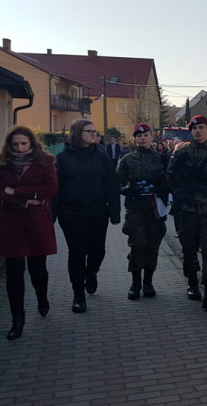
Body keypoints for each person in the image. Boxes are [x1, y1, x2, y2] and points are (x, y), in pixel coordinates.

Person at [56, 119, 121, 313]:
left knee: (97, 250)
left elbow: (111, 185)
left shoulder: (101, 157)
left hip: (97, 211)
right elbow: (56, 188)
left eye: (95, 131)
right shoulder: (62, 157)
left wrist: (115, 212)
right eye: (89, 131)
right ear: (77, 133)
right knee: (76, 253)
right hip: (71, 212)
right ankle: (78, 295)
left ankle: (92, 272)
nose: (94, 134)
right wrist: (53, 213)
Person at [0, 126, 57, 340]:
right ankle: (17, 318)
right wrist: (28, 199)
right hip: (10, 223)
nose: (19, 147)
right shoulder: (3, 164)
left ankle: (42, 297)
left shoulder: (45, 161)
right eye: (15, 144)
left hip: (37, 222)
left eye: (23, 143)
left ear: (31, 143)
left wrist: (16, 192)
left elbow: (50, 188)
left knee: (37, 267)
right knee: (14, 272)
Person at [167, 115, 207, 310]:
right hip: (187, 210)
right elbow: (170, 181)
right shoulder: (182, 153)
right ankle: (192, 283)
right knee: (189, 249)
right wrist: (177, 170)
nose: (198, 131)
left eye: (201, 127)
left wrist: (205, 178)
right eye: (194, 128)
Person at [116, 123, 170, 300]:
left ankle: (148, 282)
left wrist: (165, 189)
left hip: (154, 209)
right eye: (139, 136)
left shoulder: (161, 159)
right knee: (137, 246)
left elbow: (170, 179)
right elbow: (117, 182)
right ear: (135, 138)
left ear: (151, 137)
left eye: (146, 135)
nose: (142, 138)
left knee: (152, 246)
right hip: (136, 209)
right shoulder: (127, 159)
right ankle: (135, 283)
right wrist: (126, 190)